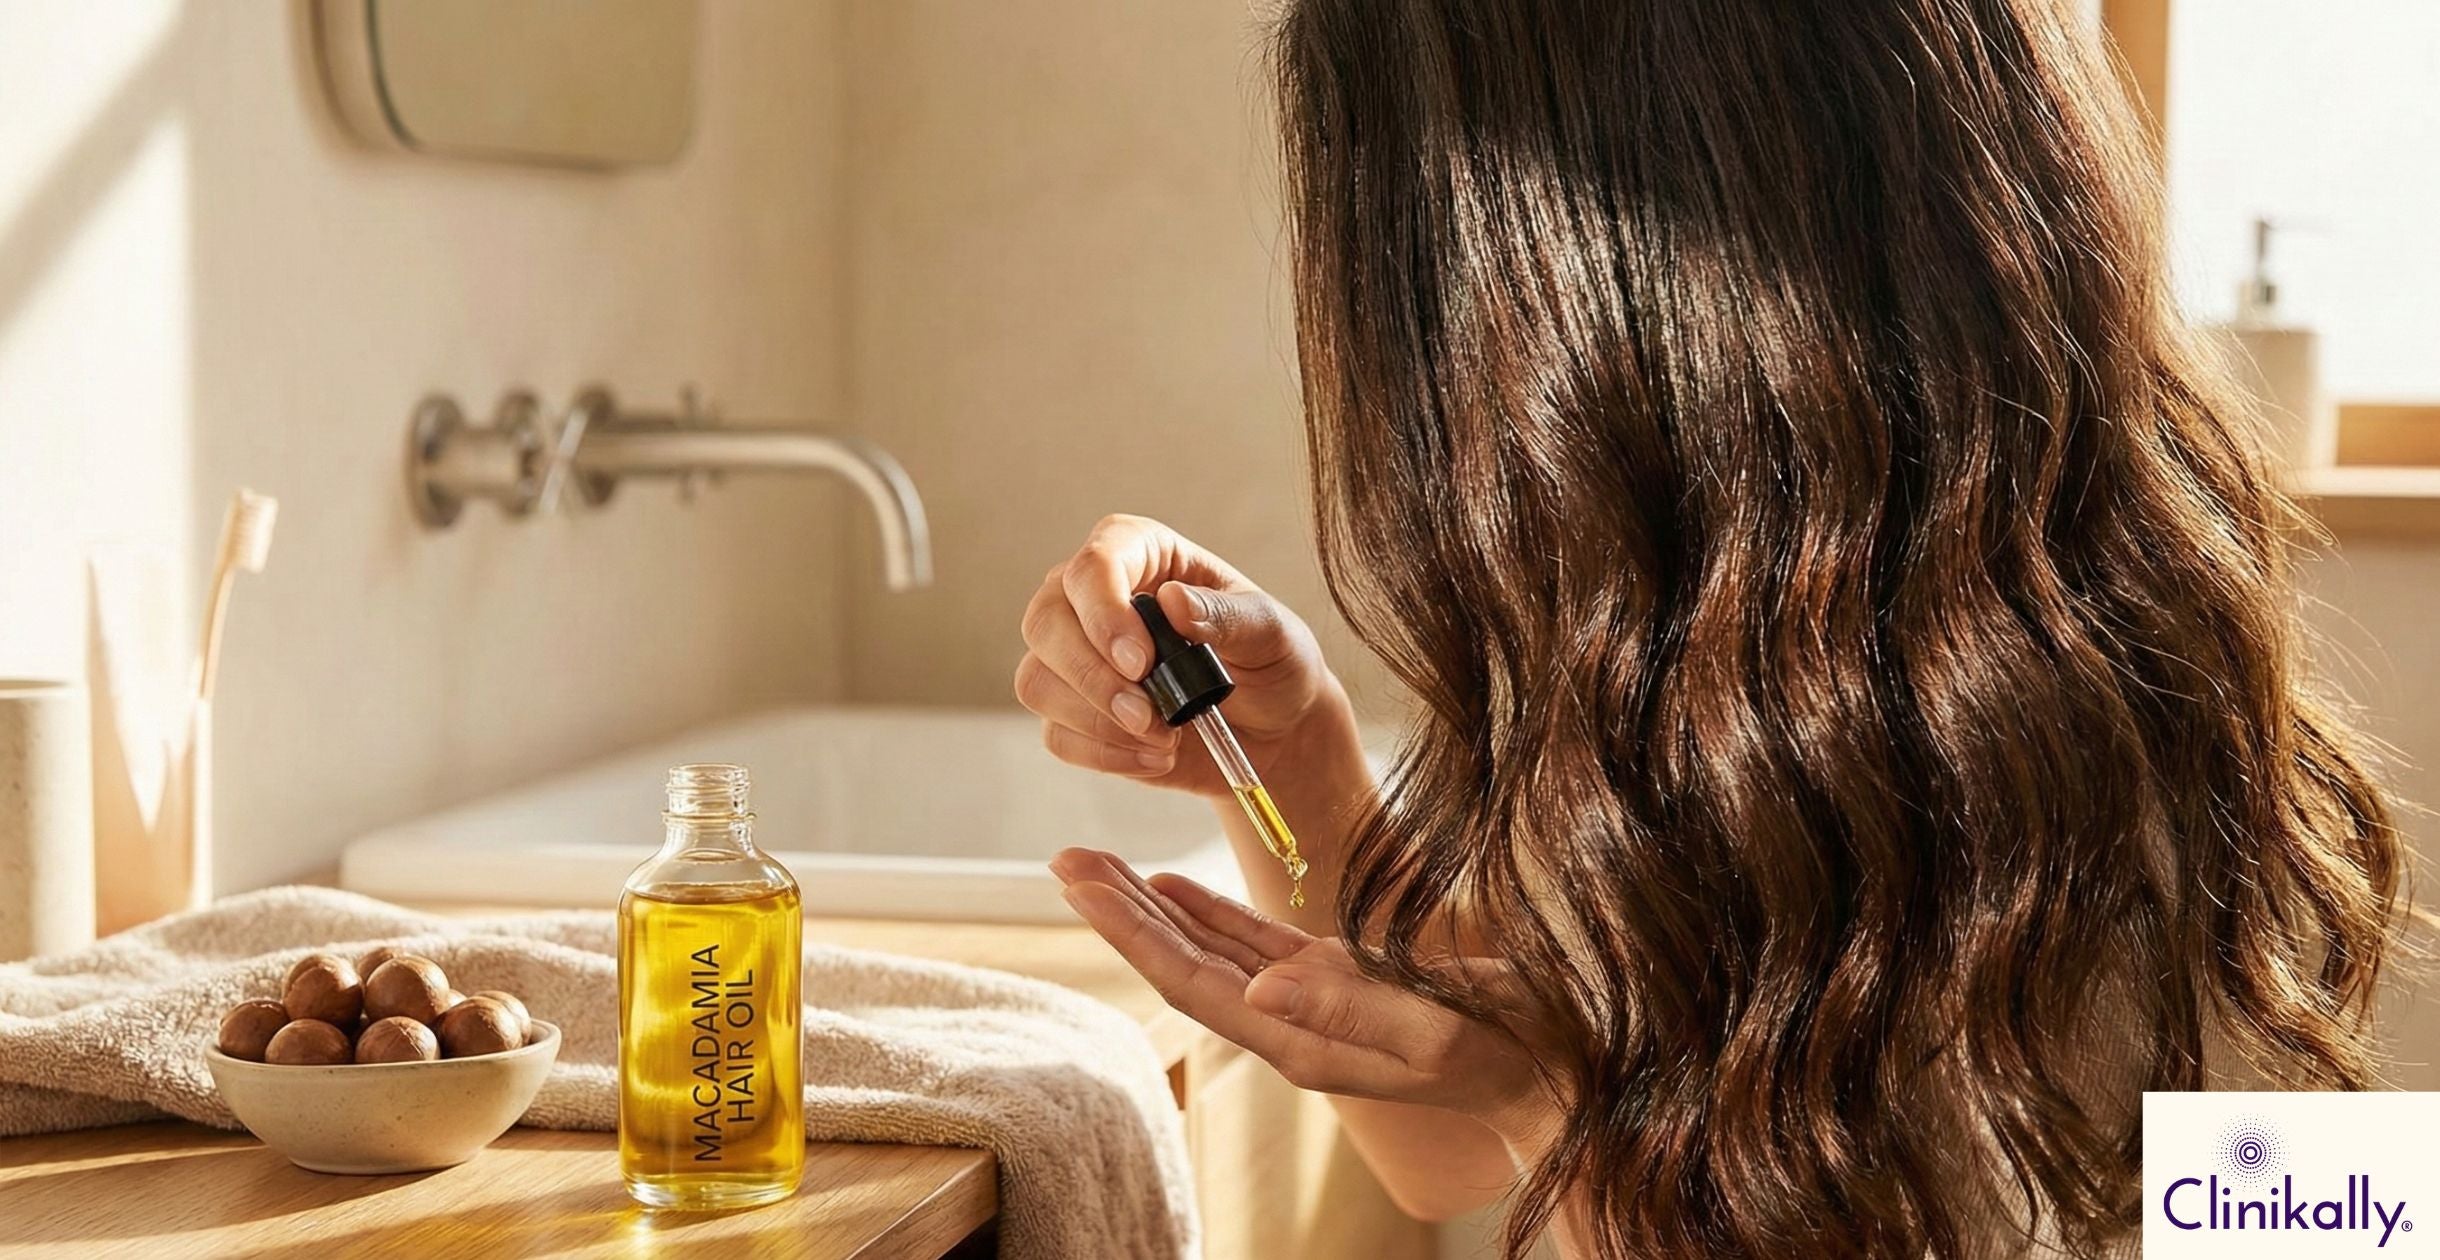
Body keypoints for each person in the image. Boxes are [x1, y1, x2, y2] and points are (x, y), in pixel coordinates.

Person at [1013, 1, 2402, 1255]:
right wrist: (1296, 747)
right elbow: (1443, 1148)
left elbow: (2311, 1208)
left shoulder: (2081, 734)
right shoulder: (1679, 680)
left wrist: (1546, 1095)